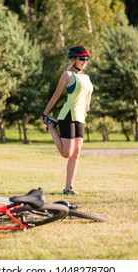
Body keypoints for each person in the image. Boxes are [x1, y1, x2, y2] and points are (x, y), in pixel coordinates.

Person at [42, 45, 93, 195]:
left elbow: (87, 96)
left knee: (76, 154)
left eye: (86, 59)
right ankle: (51, 127)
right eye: (82, 59)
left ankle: (68, 188)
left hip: (80, 117)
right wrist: (45, 113)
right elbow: (56, 95)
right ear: (74, 60)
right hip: (68, 115)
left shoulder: (87, 78)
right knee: (67, 153)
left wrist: (87, 105)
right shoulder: (68, 76)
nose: (85, 61)